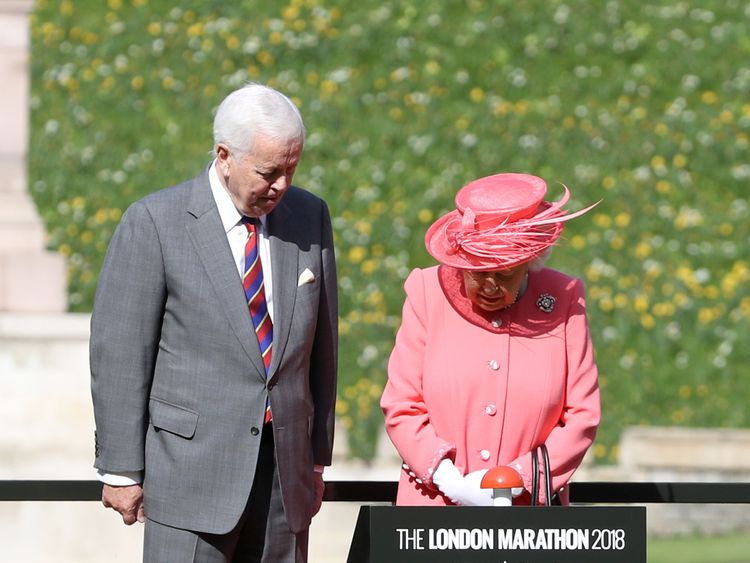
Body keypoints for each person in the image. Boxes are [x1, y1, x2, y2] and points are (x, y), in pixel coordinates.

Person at [90, 83, 338, 562]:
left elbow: (322, 348)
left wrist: (315, 457)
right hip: (188, 478)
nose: (282, 185)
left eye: (292, 168)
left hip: (284, 482)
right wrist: (121, 470)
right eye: (269, 172)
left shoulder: (310, 217)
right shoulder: (155, 222)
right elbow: (120, 351)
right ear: (224, 156)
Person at [380, 172, 600, 506]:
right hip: (433, 512)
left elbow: (582, 415)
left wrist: (515, 480)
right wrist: (450, 481)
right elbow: (402, 406)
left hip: (527, 519)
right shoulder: (427, 293)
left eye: (505, 273)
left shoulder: (564, 298)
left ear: (529, 262)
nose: (490, 287)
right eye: (478, 274)